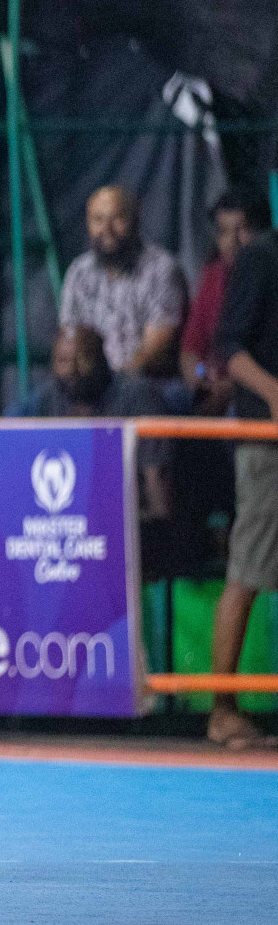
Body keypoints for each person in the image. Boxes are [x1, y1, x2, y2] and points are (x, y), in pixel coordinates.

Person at [208, 228, 278, 750]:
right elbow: (227, 348)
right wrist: (275, 394)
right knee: (249, 570)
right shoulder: (262, 257)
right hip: (268, 443)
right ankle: (222, 710)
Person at [6, 325, 172, 520]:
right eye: (63, 360)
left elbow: (158, 487)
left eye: (83, 359)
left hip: (131, 522)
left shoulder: (138, 396)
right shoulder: (45, 401)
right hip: (64, 523)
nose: (72, 370)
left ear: (102, 359)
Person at [58, 185, 187, 385]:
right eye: (98, 220)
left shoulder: (161, 269)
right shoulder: (79, 271)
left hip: (146, 381)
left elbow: (156, 346)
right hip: (89, 384)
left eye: (117, 219)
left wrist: (113, 385)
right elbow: (71, 337)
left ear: (135, 220)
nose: (107, 229)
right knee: (24, 410)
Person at [181, 192, 263, 415]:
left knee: (237, 410)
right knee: (169, 398)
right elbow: (191, 351)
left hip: (253, 389)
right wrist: (202, 377)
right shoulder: (213, 275)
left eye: (243, 229)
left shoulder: (267, 278)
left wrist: (230, 388)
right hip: (211, 384)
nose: (233, 241)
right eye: (223, 232)